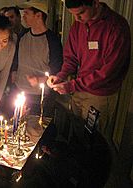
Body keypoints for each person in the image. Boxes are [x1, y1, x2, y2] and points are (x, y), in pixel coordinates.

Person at [46, 0, 131, 139]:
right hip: (79, 90)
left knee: (93, 139)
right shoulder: (78, 24)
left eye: (80, 13)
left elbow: (108, 73)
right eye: (73, 14)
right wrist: (61, 75)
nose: (77, 19)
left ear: (96, 3)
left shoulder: (116, 27)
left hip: (100, 95)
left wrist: (72, 85)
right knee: (77, 132)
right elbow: (71, 57)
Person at [11, 0, 63, 117]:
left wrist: (39, 79)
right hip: (19, 91)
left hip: (40, 96)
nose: (23, 16)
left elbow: (57, 70)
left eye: (27, 13)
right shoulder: (22, 36)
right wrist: (14, 71)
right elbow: (16, 59)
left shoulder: (52, 41)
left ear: (38, 15)